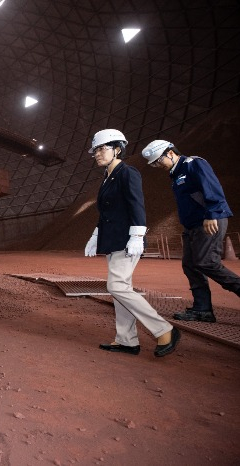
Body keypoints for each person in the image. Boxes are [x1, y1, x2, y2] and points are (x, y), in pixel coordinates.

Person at [85, 129, 180, 357]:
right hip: (113, 239)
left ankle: (164, 330)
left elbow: (137, 205)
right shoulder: (107, 178)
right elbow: (108, 211)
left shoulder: (128, 172)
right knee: (122, 290)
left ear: (117, 149)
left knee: (115, 287)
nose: (97, 154)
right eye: (95, 150)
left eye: (102, 148)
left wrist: (137, 235)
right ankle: (127, 340)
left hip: (127, 241)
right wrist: (96, 234)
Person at [141, 140, 240, 322]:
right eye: (154, 163)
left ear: (170, 153)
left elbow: (211, 187)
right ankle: (202, 309)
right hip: (192, 226)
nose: (157, 166)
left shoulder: (193, 164)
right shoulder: (176, 174)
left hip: (209, 221)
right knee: (190, 264)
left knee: (207, 262)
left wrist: (212, 213)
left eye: (158, 161)